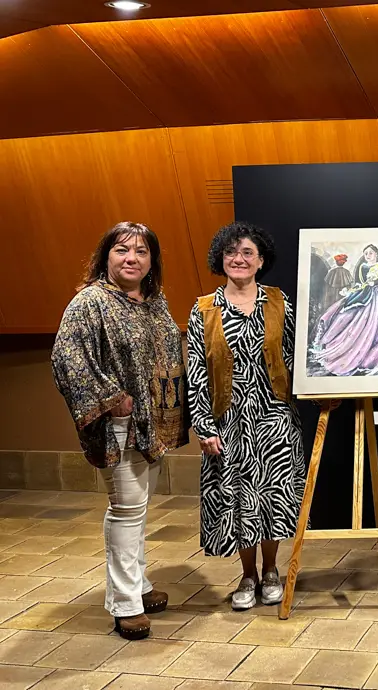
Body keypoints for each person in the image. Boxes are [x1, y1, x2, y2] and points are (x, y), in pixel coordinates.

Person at [52, 222, 190, 640]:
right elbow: (65, 356)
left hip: (152, 422)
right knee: (127, 506)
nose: (132, 258)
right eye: (122, 250)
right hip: (118, 422)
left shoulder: (154, 302)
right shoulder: (91, 302)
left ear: (153, 261)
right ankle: (125, 604)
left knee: (139, 506)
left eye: (142, 251)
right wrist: (112, 396)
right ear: (106, 256)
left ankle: (138, 586)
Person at [186, 221, 306, 611]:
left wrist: (317, 390)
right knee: (238, 500)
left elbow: (297, 356)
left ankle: (271, 571)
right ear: (220, 259)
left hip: (274, 418)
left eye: (247, 253)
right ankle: (247, 575)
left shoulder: (280, 302)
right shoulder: (203, 309)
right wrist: (203, 425)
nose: (238, 259)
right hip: (228, 422)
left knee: (272, 497)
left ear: (261, 260)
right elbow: (196, 370)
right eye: (230, 253)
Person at [310, 244, 378, 377]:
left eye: (370, 253)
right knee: (345, 316)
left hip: (374, 296)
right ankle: (341, 348)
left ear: (376, 255)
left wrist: (376, 282)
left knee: (377, 323)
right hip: (361, 293)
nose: (367, 256)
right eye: (365, 254)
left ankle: (372, 354)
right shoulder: (363, 267)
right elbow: (360, 282)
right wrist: (351, 290)